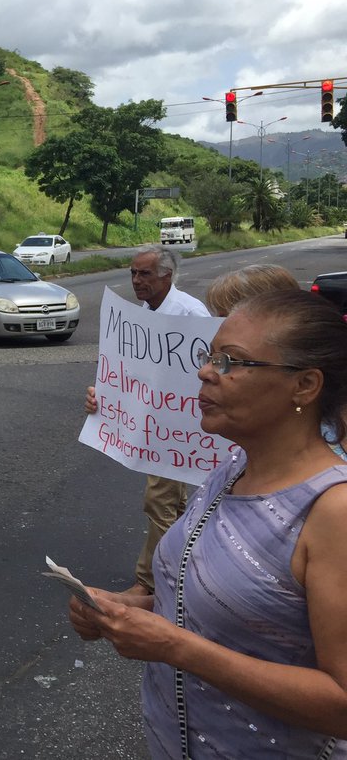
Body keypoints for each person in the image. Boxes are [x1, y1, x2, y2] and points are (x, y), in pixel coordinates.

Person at [68, 291, 347, 758]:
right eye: (209, 356)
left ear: (305, 385)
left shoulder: (333, 511)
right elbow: (235, 601)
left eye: (231, 361)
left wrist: (176, 647)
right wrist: (131, 606)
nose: (204, 371)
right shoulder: (234, 465)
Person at [127, 246, 209, 595]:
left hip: (181, 426)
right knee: (172, 504)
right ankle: (185, 570)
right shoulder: (147, 310)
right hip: (157, 421)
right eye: (133, 273)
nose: (136, 280)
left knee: (159, 501)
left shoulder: (190, 313)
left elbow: (208, 368)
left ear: (166, 276)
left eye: (144, 274)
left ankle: (150, 583)